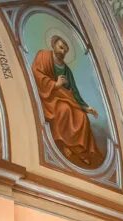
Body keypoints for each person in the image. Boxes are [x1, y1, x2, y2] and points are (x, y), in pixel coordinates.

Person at [32, 35, 103, 168]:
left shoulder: (66, 69)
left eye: (65, 50)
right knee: (64, 110)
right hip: (48, 97)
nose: (63, 51)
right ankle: (64, 145)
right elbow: (37, 74)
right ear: (53, 45)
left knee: (82, 118)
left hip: (64, 97)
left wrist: (86, 107)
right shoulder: (43, 56)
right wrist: (56, 85)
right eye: (61, 47)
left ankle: (80, 151)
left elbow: (74, 91)